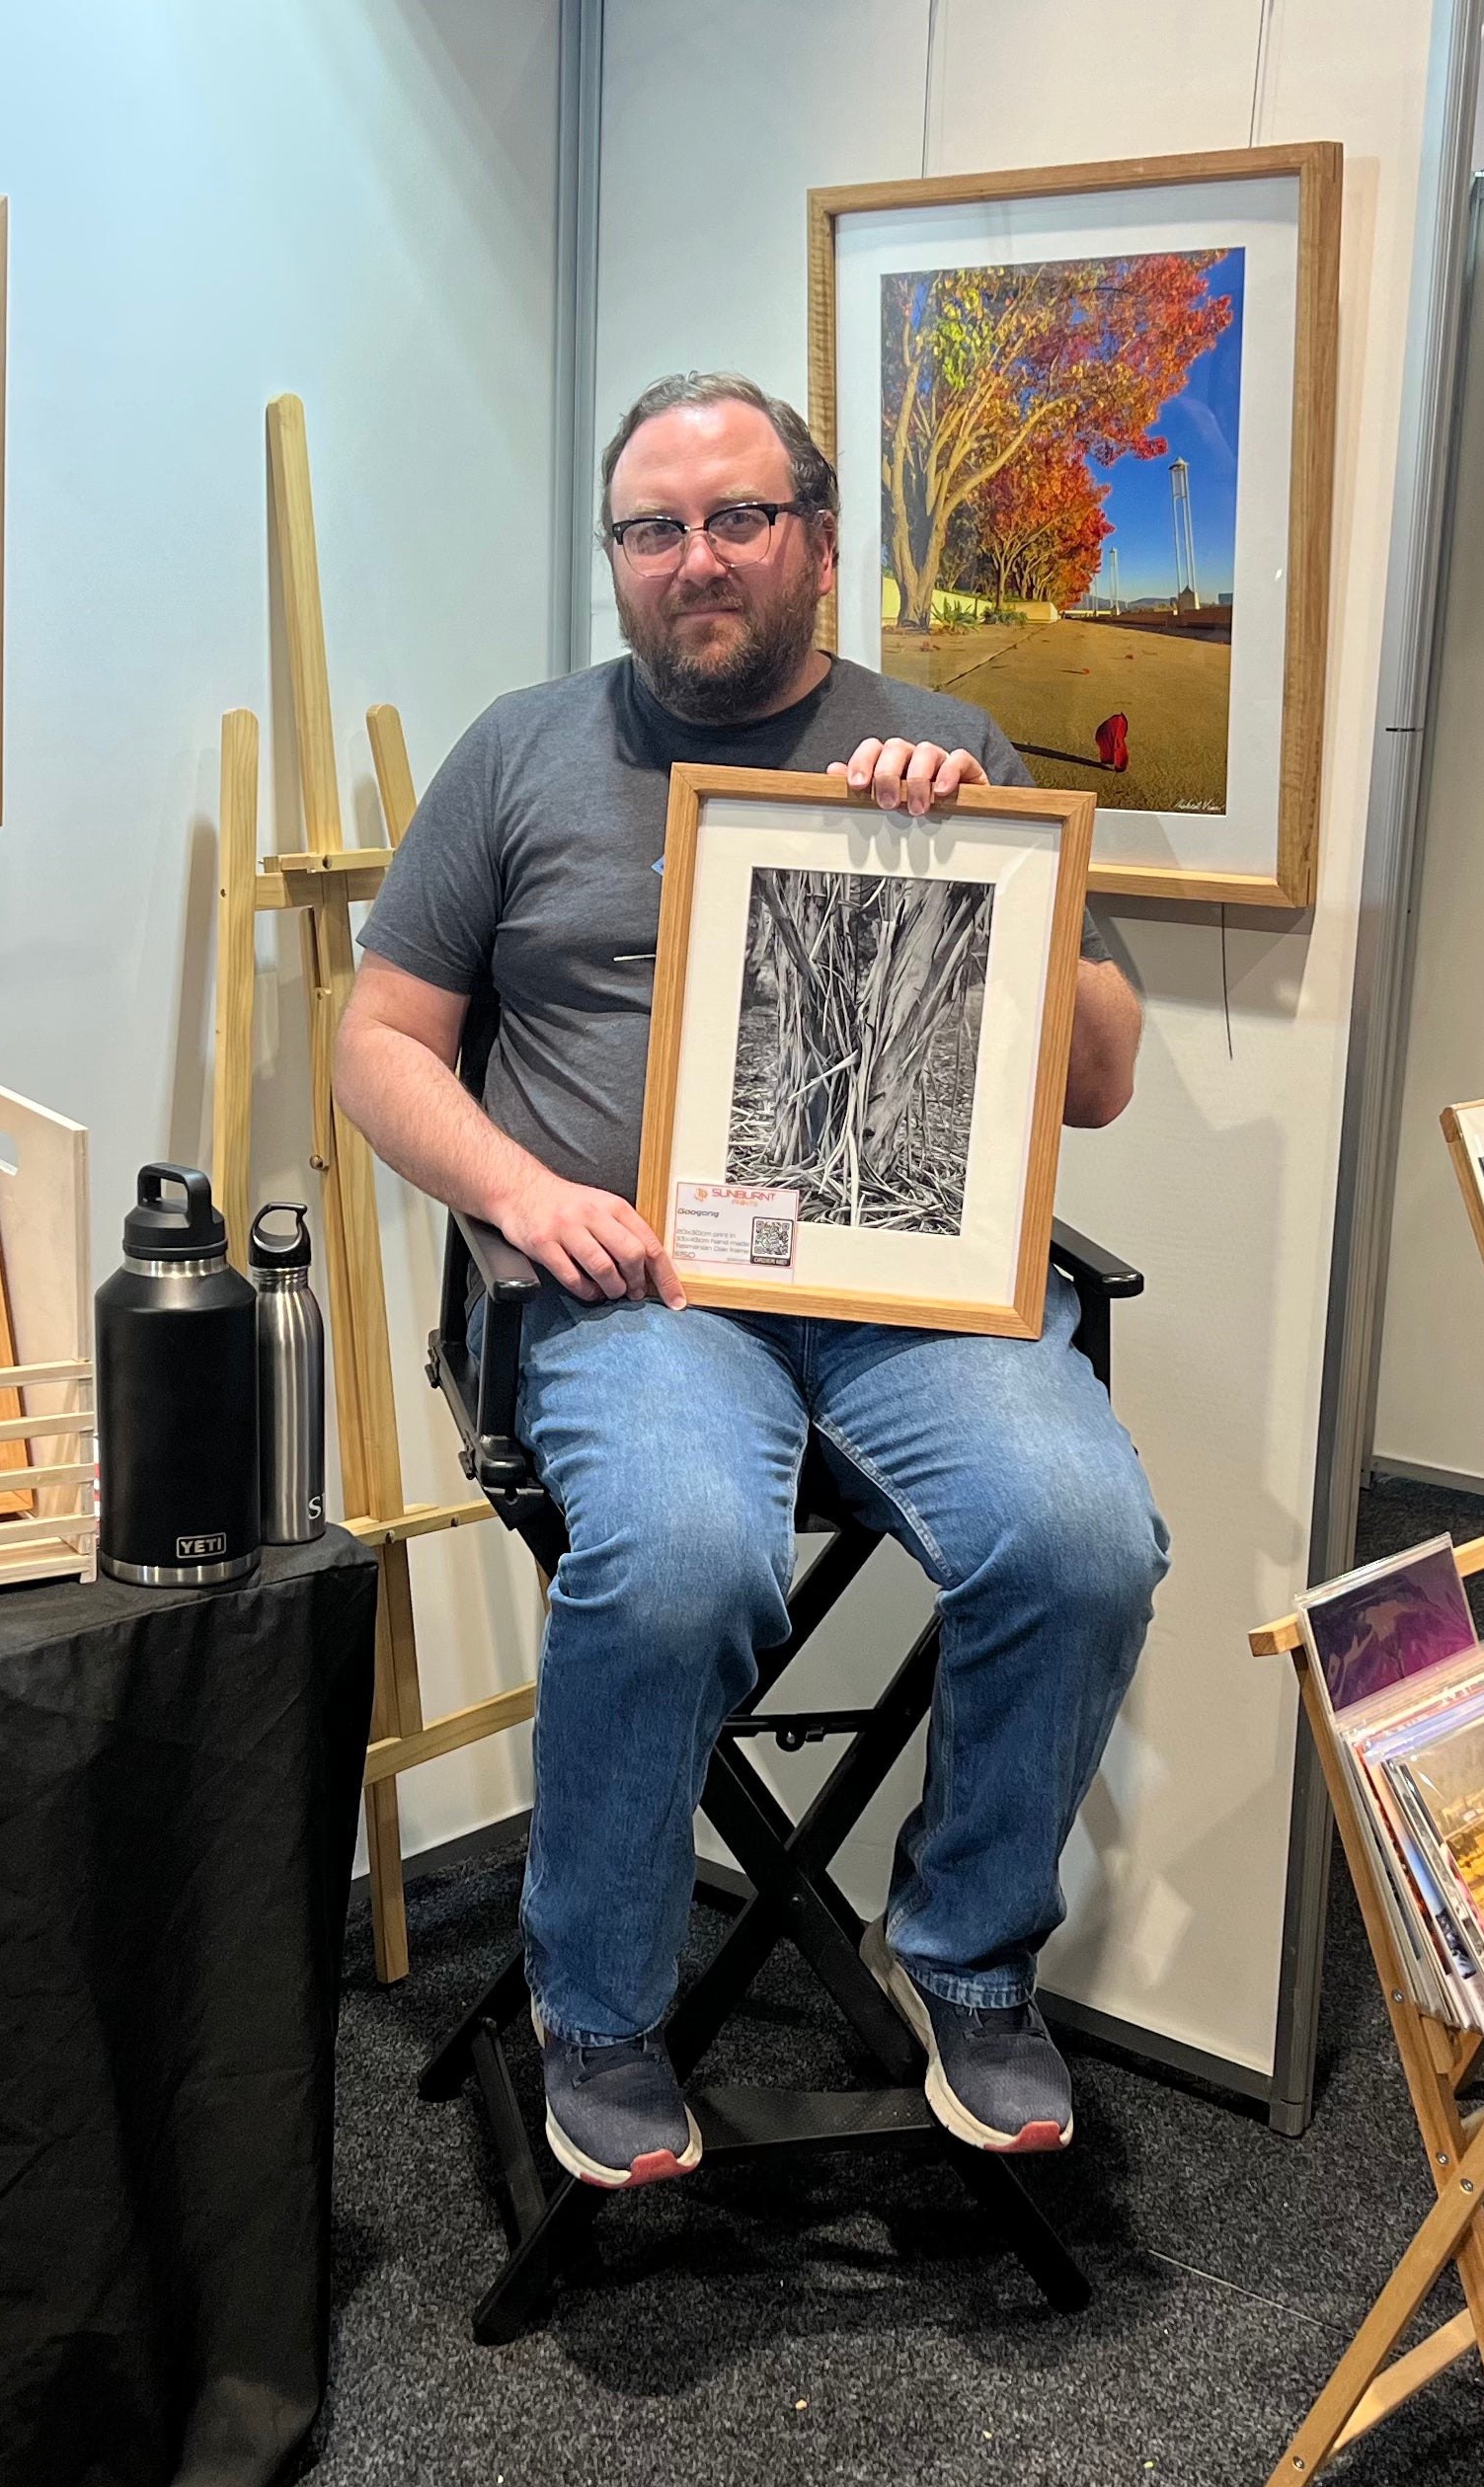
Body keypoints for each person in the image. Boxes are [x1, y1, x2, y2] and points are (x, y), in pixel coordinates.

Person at [334, 371, 1166, 2186]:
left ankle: (960, 1957)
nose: (693, 560)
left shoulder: (946, 747)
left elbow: (1095, 1082)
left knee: (1083, 1537)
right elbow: (382, 1042)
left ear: (810, 538)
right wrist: (517, 1187)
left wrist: (981, 863)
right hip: (636, 1290)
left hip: (904, 1291)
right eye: (653, 529)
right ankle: (604, 2013)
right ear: (616, 557)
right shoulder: (519, 750)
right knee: (687, 1559)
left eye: (734, 520)